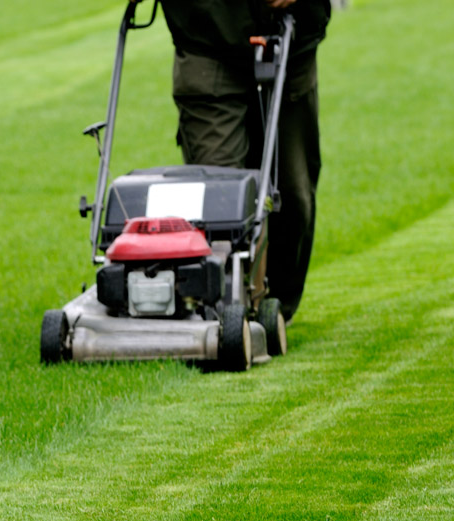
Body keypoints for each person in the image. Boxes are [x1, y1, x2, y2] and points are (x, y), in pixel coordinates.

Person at [132, 0, 331, 321]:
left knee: (293, 197)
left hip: (292, 39)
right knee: (219, 202)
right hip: (204, 36)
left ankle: (273, 309)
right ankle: (228, 309)